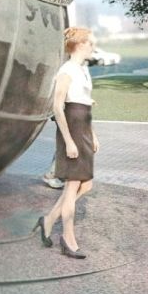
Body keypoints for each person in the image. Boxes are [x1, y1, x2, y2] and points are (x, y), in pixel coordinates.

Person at [32, 27, 99, 259]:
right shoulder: (67, 70)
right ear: (79, 45)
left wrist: (93, 134)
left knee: (86, 185)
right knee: (72, 187)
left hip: (83, 128)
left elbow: (84, 103)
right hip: (72, 131)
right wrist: (69, 141)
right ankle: (68, 239)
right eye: (90, 43)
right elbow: (57, 107)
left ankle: (49, 219)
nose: (93, 47)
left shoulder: (82, 70)